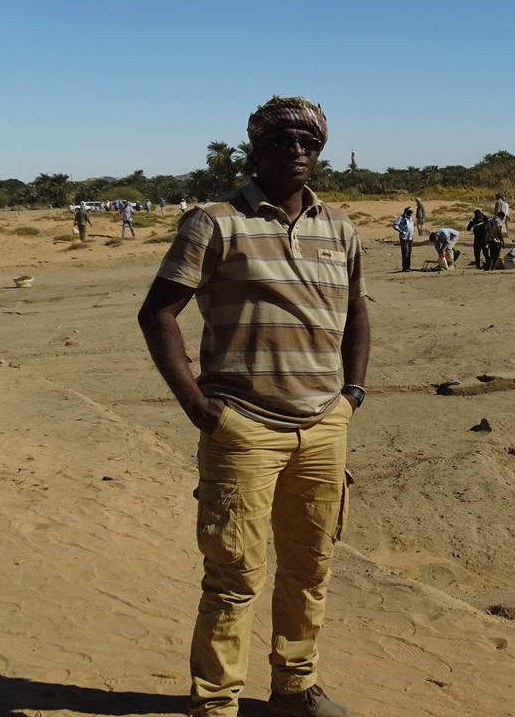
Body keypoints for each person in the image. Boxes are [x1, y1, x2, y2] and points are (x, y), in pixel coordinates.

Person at [137, 96, 369, 717]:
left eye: (308, 142)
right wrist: (199, 407)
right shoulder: (212, 223)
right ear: (256, 149)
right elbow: (158, 314)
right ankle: (215, 704)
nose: (297, 151)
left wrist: (352, 395)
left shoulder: (339, 228)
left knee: (309, 568)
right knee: (234, 578)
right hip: (242, 429)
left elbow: (358, 315)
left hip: (324, 426)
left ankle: (294, 687)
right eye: (283, 140)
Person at [392, 206, 415, 272]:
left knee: (409, 252)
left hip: (410, 238)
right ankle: (404, 267)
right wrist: (400, 231)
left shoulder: (410, 218)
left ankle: (408, 267)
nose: (411, 213)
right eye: (410, 212)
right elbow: (395, 225)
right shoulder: (401, 218)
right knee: (405, 252)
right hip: (404, 238)